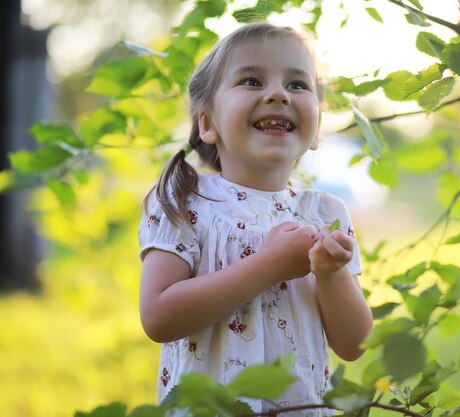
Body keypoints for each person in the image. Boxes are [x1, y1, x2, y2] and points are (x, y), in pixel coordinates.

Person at [138, 22, 373, 416]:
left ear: (316, 128)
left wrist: (331, 275)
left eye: (298, 85)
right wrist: (268, 266)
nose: (279, 94)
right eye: (251, 80)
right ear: (207, 123)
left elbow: (354, 344)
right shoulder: (185, 201)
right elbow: (159, 317)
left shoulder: (325, 213)